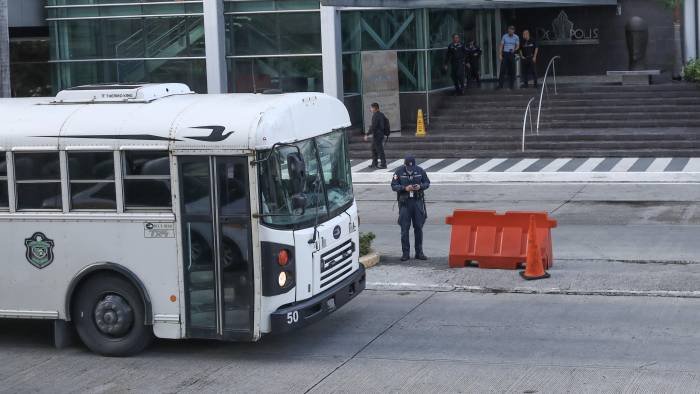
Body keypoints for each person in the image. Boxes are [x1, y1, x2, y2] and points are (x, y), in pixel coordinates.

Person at [391, 155, 430, 261]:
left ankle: (419, 253)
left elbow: (427, 183)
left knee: (418, 228)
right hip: (405, 203)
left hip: (417, 202)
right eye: (408, 167)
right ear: (405, 165)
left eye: (412, 167)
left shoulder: (420, 170)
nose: (410, 169)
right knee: (404, 229)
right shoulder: (398, 172)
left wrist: (420, 186)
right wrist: (404, 188)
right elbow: (393, 186)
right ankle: (405, 253)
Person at [364, 102, 388, 169]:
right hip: (380, 135)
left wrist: (367, 134)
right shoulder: (381, 114)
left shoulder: (376, 115)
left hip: (377, 135)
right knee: (374, 149)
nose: (370, 109)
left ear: (374, 108)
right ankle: (374, 163)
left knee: (379, 150)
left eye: (371, 108)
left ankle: (383, 164)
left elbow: (373, 126)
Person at [498, 26, 520, 90]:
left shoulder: (516, 37)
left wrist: (514, 49)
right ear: (508, 30)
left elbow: (518, 46)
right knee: (502, 69)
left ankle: (511, 85)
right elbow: (501, 45)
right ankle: (500, 85)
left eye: (512, 30)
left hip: (512, 53)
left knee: (512, 70)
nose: (511, 31)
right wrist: (500, 54)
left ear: (514, 31)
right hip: (505, 53)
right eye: (510, 30)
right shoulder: (504, 36)